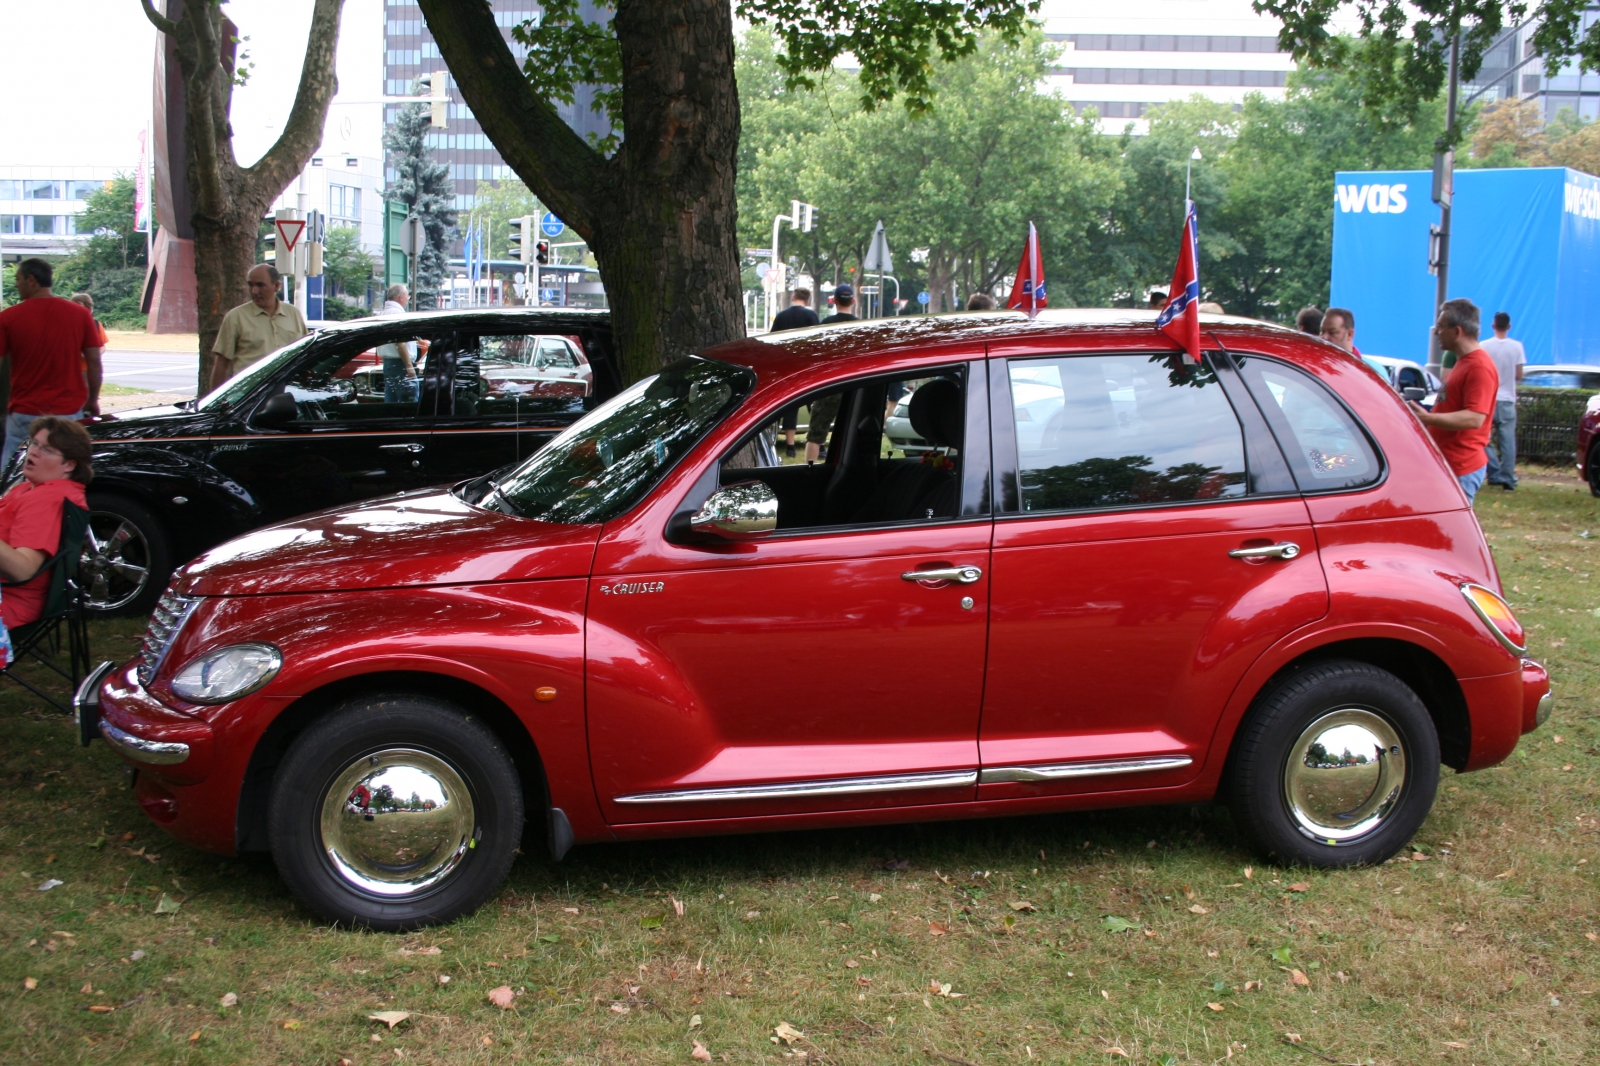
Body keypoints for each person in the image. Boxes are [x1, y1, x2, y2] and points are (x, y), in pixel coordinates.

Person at [0, 258, 104, 470]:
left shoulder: (8, 318)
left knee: (11, 473)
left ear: (31, 280)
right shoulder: (80, 315)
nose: (16, 285)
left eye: (18, 279)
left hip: (24, 411)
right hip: (68, 413)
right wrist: (92, 399)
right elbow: (94, 361)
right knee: (62, 471)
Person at [0, 417, 92, 637]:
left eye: (47, 450)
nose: (34, 452)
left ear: (69, 464)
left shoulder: (47, 498)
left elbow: (23, 570)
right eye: (34, 443)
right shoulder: (27, 489)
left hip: (11, 603)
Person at [1410, 298, 1496, 503]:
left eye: (1440, 327)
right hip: (1448, 464)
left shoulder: (1479, 367)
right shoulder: (1463, 362)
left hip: (1461, 466)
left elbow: (1475, 418)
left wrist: (1429, 419)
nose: (1435, 332)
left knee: (1453, 533)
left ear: (1457, 332)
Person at [209, 263, 308, 390]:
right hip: (249, 396)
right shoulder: (236, 317)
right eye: (251, 285)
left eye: (260, 285)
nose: (254, 291)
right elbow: (221, 364)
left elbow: (305, 356)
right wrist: (217, 404)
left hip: (288, 394)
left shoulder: (293, 314)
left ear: (276, 286)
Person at [768, 288, 819, 458]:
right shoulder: (811, 316)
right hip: (807, 367)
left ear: (793, 297)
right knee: (814, 407)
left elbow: (773, 341)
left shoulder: (782, 316)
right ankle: (819, 443)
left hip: (788, 367)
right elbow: (817, 342)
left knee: (792, 408)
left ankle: (790, 446)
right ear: (808, 300)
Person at [1480, 310, 1526, 491]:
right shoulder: (1517, 347)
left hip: (1488, 399)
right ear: (1509, 327)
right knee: (1507, 441)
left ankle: (1494, 471)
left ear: (1493, 326)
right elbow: (1519, 375)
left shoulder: (1484, 346)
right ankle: (1508, 477)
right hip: (1507, 399)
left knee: (1483, 438)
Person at [375, 284, 418, 403]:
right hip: (401, 364)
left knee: (391, 402)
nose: (407, 300)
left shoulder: (382, 314)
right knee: (410, 402)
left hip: (388, 363)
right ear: (400, 297)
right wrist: (409, 366)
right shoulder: (398, 315)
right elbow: (400, 343)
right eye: (407, 296)